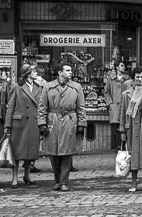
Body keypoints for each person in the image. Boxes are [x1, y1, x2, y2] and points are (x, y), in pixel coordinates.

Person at [38, 63, 86, 191]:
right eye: (67, 70)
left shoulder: (76, 87)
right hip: (52, 121)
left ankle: (64, 181)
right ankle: (57, 180)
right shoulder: (48, 87)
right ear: (60, 73)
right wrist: (42, 123)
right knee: (53, 152)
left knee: (67, 151)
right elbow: (42, 107)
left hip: (69, 121)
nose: (70, 72)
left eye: (71, 70)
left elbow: (81, 107)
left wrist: (81, 124)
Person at [3, 64, 43, 188]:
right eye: (34, 71)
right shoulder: (17, 87)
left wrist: (42, 123)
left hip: (33, 123)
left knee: (30, 152)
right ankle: (14, 177)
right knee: (17, 153)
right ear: (27, 73)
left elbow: (42, 107)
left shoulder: (39, 88)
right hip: (19, 124)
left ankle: (27, 175)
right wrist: (7, 125)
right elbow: (10, 107)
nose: (36, 73)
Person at [104, 61, 131, 149]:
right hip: (114, 106)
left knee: (125, 126)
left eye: (124, 65)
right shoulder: (110, 79)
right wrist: (110, 103)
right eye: (122, 65)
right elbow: (106, 92)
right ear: (117, 67)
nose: (124, 67)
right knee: (115, 128)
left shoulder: (128, 79)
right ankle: (117, 146)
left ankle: (124, 146)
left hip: (125, 106)